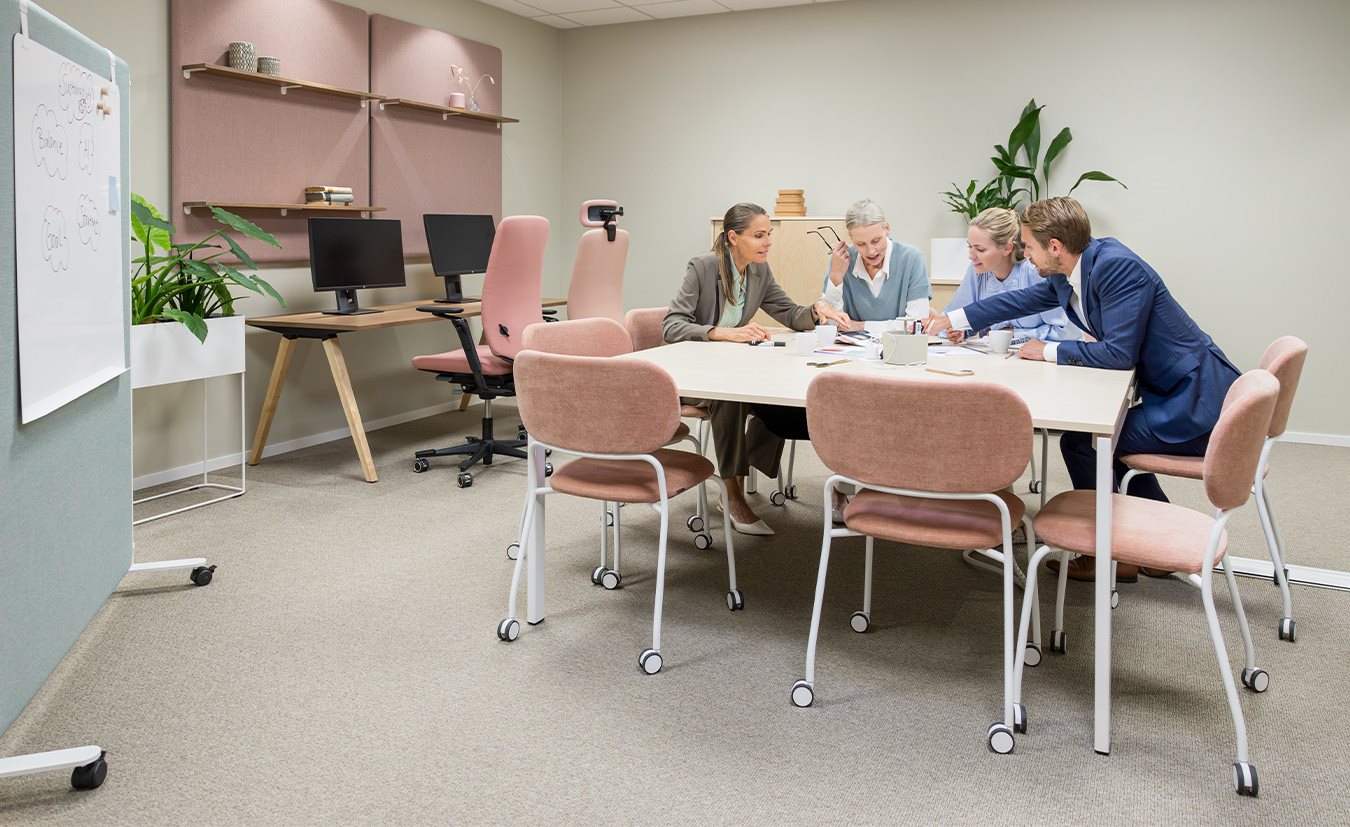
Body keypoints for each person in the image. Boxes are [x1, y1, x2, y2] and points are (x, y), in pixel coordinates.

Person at [924, 197, 1241, 581]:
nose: (1025, 254)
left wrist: (1049, 351)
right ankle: (1142, 546)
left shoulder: (1116, 268)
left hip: (1197, 402)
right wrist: (952, 318)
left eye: (1029, 246)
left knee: (1084, 441)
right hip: (1176, 392)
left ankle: (1109, 552)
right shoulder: (1077, 268)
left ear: (1054, 247)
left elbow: (1119, 354)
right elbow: (1021, 300)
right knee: (1094, 438)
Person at [664, 202, 852, 536]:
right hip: (694, 374)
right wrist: (722, 333)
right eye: (759, 235)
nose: (767, 242)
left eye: (769, 235)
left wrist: (815, 309)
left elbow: (789, 312)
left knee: (774, 393)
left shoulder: (758, 271)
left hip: (730, 367)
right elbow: (672, 326)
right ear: (733, 237)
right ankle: (733, 491)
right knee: (731, 396)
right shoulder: (703, 267)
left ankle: (737, 472)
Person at [942, 207, 1080, 345]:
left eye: (980, 249)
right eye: (970, 247)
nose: (971, 256)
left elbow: (1066, 332)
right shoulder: (977, 270)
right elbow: (955, 318)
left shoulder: (1037, 270)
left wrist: (1014, 334)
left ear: (1007, 248)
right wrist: (961, 331)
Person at [820, 199, 930, 325]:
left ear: (887, 229)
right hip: (851, 345)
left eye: (876, 241)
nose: (871, 251)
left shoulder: (912, 258)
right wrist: (835, 277)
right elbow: (830, 323)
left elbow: (916, 325)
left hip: (900, 345)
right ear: (851, 238)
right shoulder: (842, 260)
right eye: (860, 244)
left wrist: (860, 326)